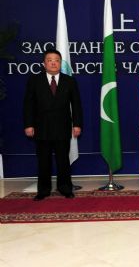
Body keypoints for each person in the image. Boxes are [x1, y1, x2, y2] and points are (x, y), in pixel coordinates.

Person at [23, 49, 82, 201]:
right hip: (41, 127)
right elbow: (28, 104)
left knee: (63, 160)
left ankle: (65, 188)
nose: (53, 62)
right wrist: (28, 125)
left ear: (60, 63)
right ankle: (43, 190)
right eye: (50, 60)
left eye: (56, 60)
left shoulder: (69, 81)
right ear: (44, 63)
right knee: (43, 161)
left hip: (62, 127)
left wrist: (77, 124)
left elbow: (76, 105)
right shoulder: (35, 80)